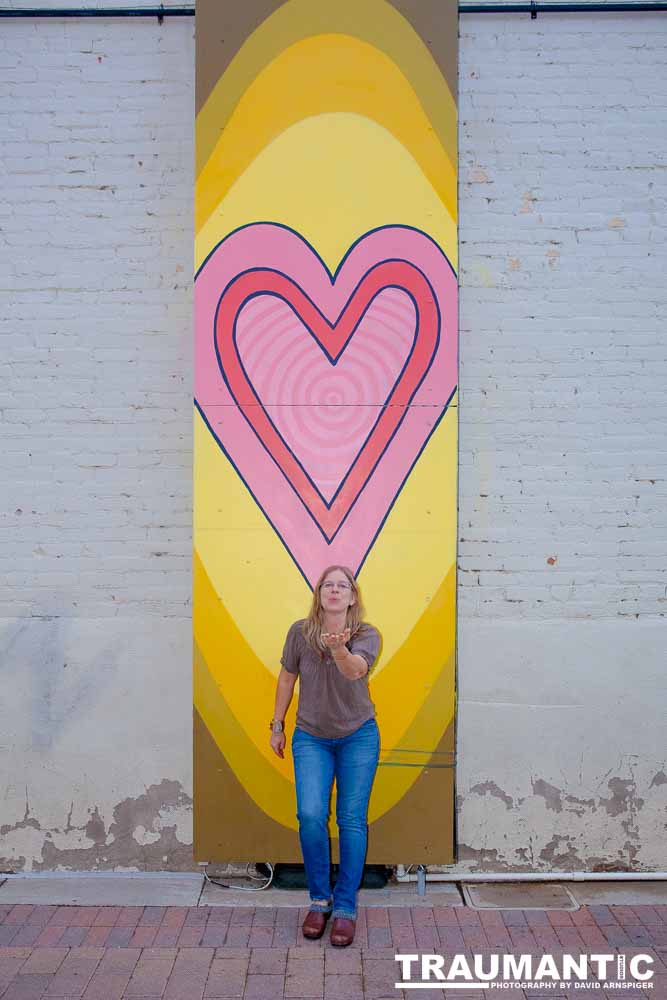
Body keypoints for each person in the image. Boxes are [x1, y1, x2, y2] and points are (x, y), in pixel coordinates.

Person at [269, 564, 381, 947]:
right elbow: (287, 677)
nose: (334, 590)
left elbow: (354, 672)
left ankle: (346, 906)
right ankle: (320, 899)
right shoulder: (299, 633)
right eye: (327, 585)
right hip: (311, 737)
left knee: (351, 820)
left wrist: (338, 648)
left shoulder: (367, 634)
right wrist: (277, 724)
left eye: (342, 585)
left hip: (358, 737)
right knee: (311, 814)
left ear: (352, 597)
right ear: (319, 594)